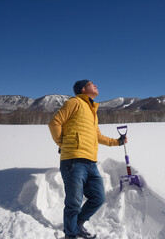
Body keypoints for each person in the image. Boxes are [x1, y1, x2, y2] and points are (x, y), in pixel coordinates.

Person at [48, 79, 126, 239]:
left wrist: (117, 142)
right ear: (83, 89)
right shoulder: (74, 102)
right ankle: (71, 235)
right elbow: (54, 122)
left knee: (98, 198)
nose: (96, 85)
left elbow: (98, 136)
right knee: (73, 203)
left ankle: (78, 223)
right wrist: (63, 144)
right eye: (92, 84)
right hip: (73, 161)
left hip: (91, 163)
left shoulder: (92, 111)